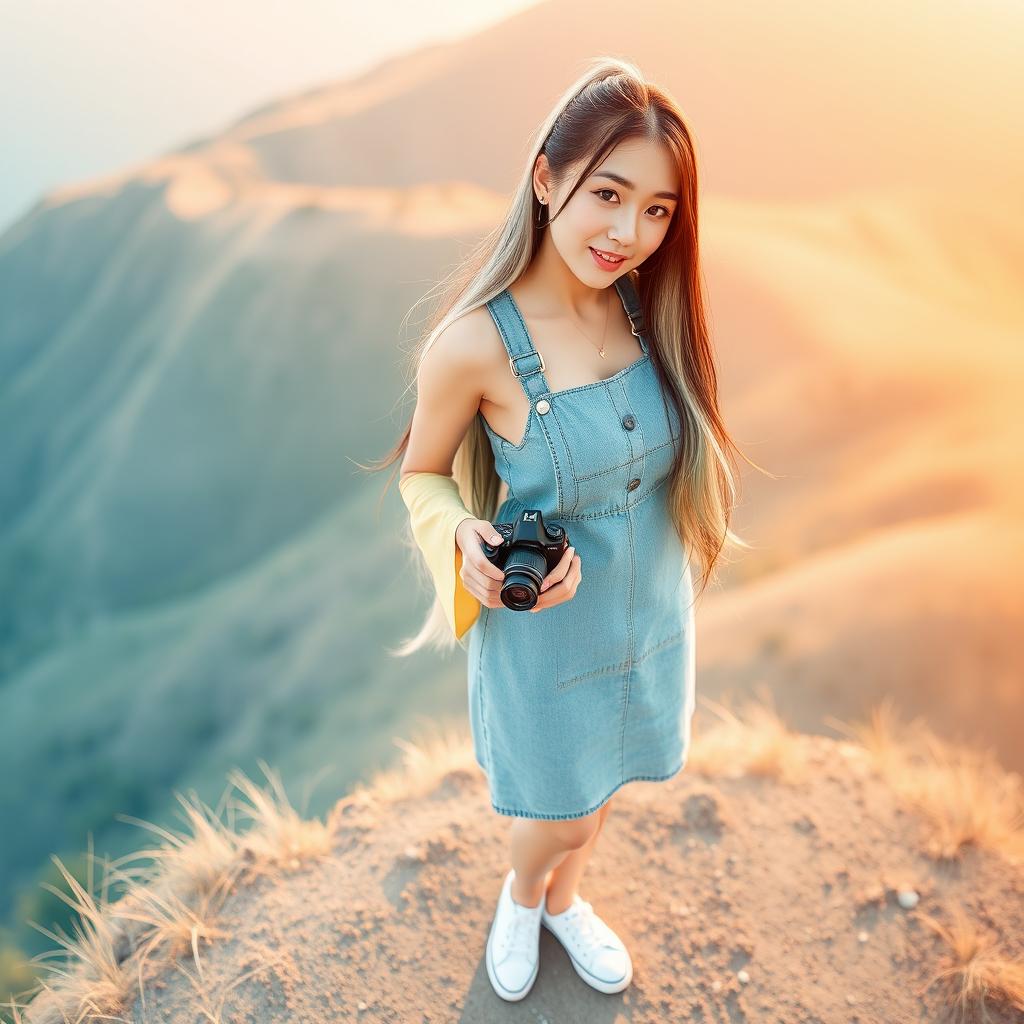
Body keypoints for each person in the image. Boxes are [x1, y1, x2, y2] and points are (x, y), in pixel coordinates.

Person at [369, 56, 757, 1002]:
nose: (630, 232)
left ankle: (563, 901)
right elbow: (422, 474)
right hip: (543, 636)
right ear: (546, 179)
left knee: (608, 784)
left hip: (649, 611)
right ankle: (523, 895)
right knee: (557, 805)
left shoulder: (648, 309)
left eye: (659, 210)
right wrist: (460, 537)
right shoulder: (471, 346)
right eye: (609, 194)